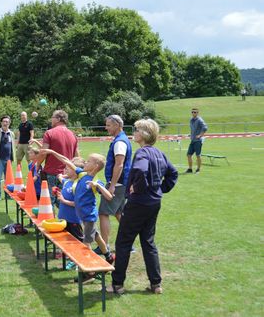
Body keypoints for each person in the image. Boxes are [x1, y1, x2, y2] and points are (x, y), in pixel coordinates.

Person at [109, 119, 178, 295]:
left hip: (139, 203)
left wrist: (137, 189)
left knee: (123, 242)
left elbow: (140, 170)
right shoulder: (159, 153)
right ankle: (156, 284)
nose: (135, 131)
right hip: (154, 203)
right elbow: (173, 173)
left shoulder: (142, 154)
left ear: (145, 134)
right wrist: (160, 189)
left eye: (137, 129)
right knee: (148, 242)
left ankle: (117, 285)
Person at [40, 149, 115, 283]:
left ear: (96, 166)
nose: (85, 162)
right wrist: (51, 151)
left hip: (88, 218)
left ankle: (89, 273)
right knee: (96, 236)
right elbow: (66, 160)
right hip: (83, 218)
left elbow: (109, 196)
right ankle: (109, 256)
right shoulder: (81, 174)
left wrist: (97, 185)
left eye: (89, 161)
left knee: (84, 246)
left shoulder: (95, 181)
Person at [99, 115, 133, 250]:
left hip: (117, 184)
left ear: (117, 125)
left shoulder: (120, 142)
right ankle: (129, 244)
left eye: (108, 125)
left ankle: (104, 246)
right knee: (119, 213)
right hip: (121, 183)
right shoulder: (121, 140)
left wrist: (112, 185)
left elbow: (119, 165)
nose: (106, 128)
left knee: (103, 213)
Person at [36, 110, 79, 205]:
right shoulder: (73, 135)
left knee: (48, 203)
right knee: (64, 203)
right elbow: (77, 157)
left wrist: (38, 164)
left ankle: (49, 220)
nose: (51, 120)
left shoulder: (49, 133)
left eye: (52, 117)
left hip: (52, 172)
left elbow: (43, 152)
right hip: (67, 174)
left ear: (58, 119)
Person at [0, 115, 15, 201]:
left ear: (9, 123)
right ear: (1, 123)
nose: (5, 123)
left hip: (9, 160)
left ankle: (8, 195)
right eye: (4, 122)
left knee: (8, 180)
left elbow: (12, 146)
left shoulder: (11, 133)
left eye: (7, 122)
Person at [186, 108, 208, 174]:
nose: (193, 113)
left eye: (195, 112)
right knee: (189, 155)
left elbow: (205, 128)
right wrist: (191, 135)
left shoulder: (200, 120)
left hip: (198, 141)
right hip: (192, 140)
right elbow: (193, 129)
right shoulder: (191, 120)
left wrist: (200, 135)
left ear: (197, 113)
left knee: (198, 155)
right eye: (192, 112)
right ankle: (190, 169)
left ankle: (198, 169)